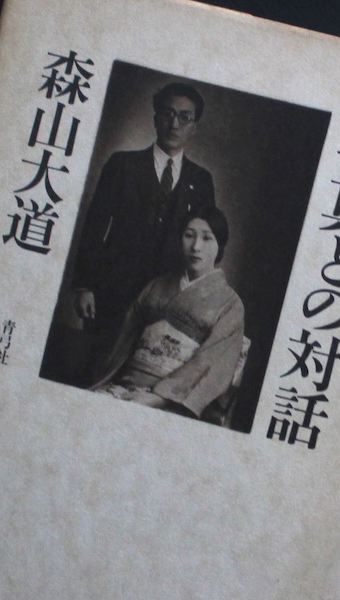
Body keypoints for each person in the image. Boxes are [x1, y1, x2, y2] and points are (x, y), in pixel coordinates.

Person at [71, 83, 216, 378]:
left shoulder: (201, 181)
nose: (174, 124)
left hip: (168, 302)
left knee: (144, 380)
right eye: (168, 113)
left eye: (184, 117)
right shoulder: (122, 165)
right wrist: (84, 286)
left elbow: (207, 243)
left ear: (194, 127)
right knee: (94, 372)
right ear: (155, 118)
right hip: (111, 293)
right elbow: (94, 227)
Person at [91, 206, 244, 419]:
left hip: (175, 401)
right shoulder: (156, 286)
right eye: (189, 235)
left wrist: (158, 397)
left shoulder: (230, 304)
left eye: (207, 238)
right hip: (125, 385)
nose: (196, 246)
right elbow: (124, 341)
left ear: (220, 245)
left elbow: (211, 363)